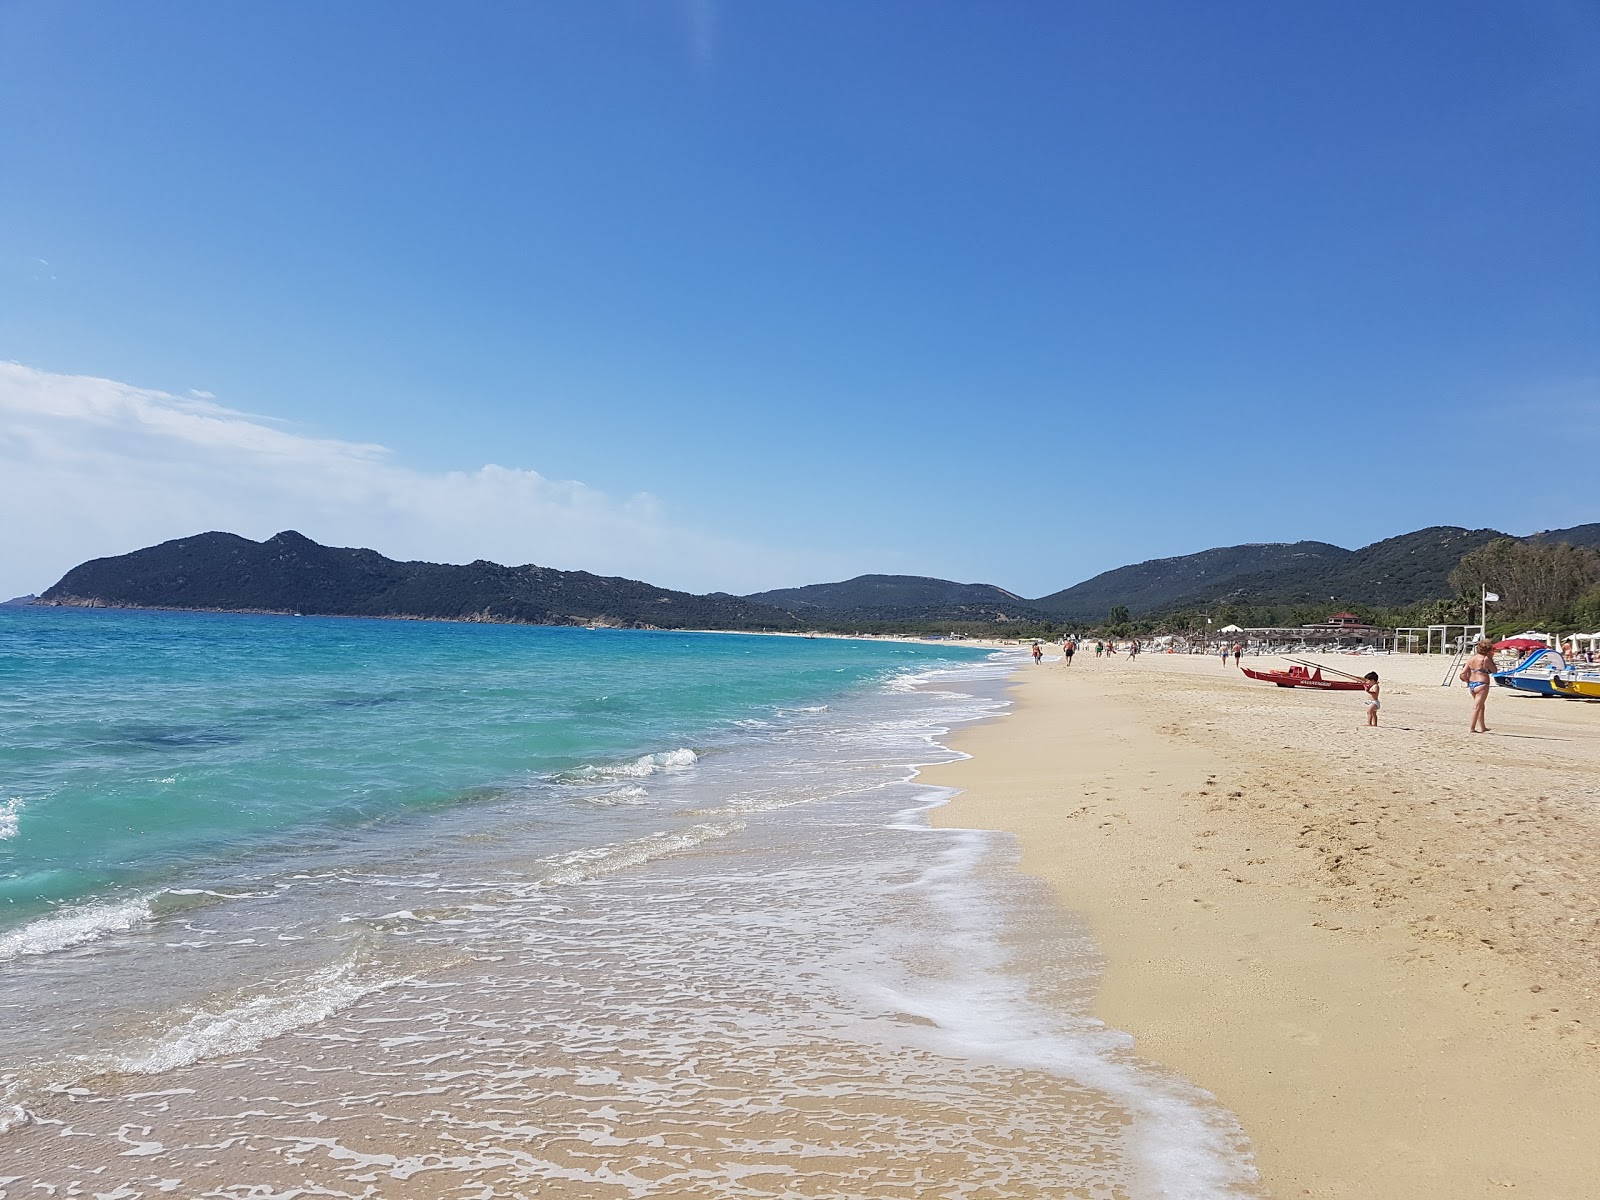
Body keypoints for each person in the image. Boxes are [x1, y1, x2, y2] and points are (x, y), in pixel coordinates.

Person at [1461, 638, 1496, 733]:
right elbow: (1494, 671)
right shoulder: (1485, 659)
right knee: (1477, 707)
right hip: (1482, 684)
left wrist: (1467, 681)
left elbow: (1463, 674)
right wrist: (1491, 658)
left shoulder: (1471, 658)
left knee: (1481, 706)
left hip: (1472, 684)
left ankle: (1482, 726)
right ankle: (1472, 728)